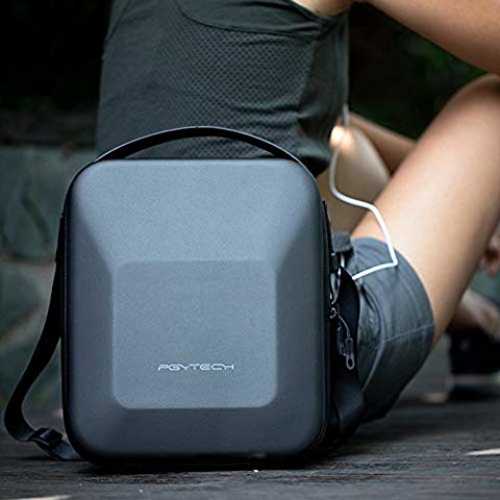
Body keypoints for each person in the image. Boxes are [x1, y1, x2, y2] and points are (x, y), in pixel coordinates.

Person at [97, 0, 500, 420]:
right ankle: (466, 316)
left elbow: (308, 121)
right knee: (492, 102)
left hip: (128, 363)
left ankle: (464, 310)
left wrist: (468, 201)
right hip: (284, 371)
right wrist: (478, 183)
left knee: (349, 154)